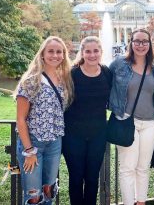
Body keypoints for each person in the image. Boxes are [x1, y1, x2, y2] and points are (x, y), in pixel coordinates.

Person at [15, 36, 73, 204]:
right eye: (51, 51)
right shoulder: (31, 80)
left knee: (49, 190)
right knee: (34, 196)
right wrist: (29, 151)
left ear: (63, 55)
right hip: (33, 143)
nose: (55, 55)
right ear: (42, 54)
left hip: (54, 143)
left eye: (59, 52)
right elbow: (20, 119)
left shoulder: (64, 80)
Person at [108, 28, 154, 205]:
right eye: (137, 41)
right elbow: (102, 79)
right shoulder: (119, 64)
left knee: (143, 168)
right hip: (126, 121)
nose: (141, 45)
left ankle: (141, 202)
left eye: (145, 41)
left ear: (149, 44)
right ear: (131, 42)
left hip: (150, 123)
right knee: (127, 168)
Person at [62, 36, 112, 205]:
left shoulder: (106, 72)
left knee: (92, 179)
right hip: (73, 136)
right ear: (82, 53)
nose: (92, 55)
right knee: (76, 178)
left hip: (98, 135)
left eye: (96, 51)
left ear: (101, 52)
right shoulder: (72, 73)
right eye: (88, 51)